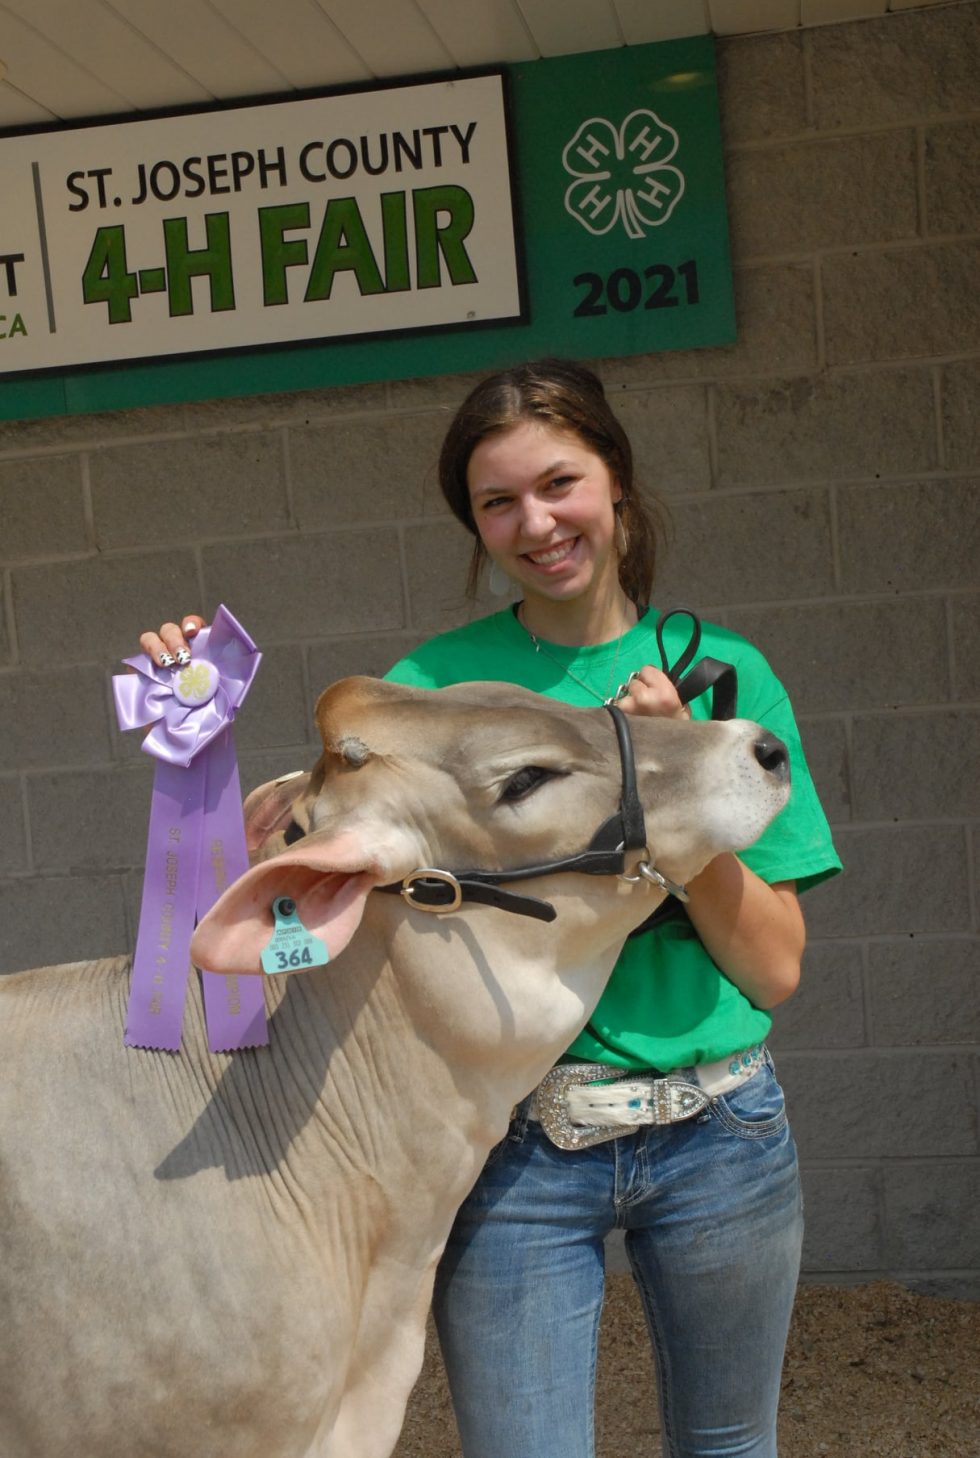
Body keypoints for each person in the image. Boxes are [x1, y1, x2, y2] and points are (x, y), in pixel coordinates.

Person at [143, 358, 841, 1458]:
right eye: (497, 502)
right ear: (473, 524)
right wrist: (193, 727)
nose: (536, 522)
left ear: (615, 480)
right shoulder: (433, 690)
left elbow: (773, 971)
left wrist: (671, 796)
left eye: (558, 482)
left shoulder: (721, 679)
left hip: (721, 1136)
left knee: (727, 1448)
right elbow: (301, 849)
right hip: (519, 1150)